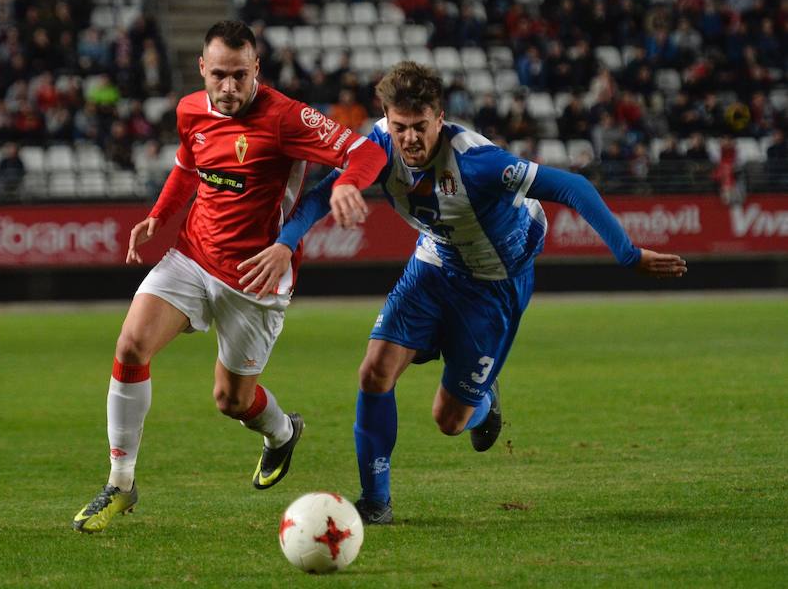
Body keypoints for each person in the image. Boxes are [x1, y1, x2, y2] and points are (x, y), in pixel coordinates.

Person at [239, 61, 687, 525]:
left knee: (450, 420)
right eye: (399, 127)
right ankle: (375, 501)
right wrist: (285, 242)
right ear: (387, 120)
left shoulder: (478, 162)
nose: (409, 139)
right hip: (434, 263)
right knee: (374, 371)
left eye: (419, 127)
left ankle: (484, 400)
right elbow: (319, 195)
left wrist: (629, 254)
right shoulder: (375, 146)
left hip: (494, 283)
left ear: (439, 118)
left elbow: (572, 187)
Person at [72, 20, 386, 534]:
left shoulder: (286, 117)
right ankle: (121, 483)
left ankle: (282, 432)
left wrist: (347, 185)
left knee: (232, 401)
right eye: (219, 75)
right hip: (192, 257)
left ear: (256, 68)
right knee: (130, 347)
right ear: (202, 69)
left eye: (241, 75)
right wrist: (159, 213)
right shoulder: (190, 109)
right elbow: (187, 166)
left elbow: (367, 150)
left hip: (255, 279)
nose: (230, 88)